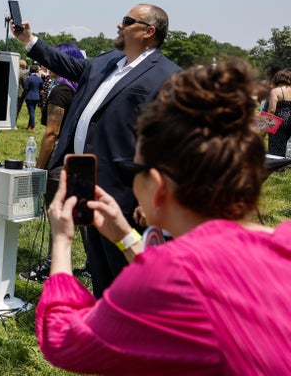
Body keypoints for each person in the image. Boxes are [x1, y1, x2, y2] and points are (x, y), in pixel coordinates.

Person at [36, 59, 291, 374]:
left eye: (134, 170)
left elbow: (64, 339)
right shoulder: (284, 242)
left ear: (157, 187)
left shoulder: (170, 275)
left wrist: (61, 241)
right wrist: (125, 236)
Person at [12, 4, 179, 297]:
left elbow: (171, 140)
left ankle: (129, 328)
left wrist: (154, 194)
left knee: (123, 265)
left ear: (148, 31)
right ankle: (104, 318)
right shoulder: (108, 62)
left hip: (124, 186)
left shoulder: (168, 75)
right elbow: (66, 65)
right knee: (97, 257)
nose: (119, 24)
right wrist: (29, 40)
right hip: (82, 175)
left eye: (128, 21)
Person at [20, 43, 85, 283]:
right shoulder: (84, 90)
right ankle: (92, 265)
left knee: (57, 217)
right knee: (83, 218)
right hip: (82, 159)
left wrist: (39, 167)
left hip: (59, 164)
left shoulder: (60, 92)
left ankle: (50, 266)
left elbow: (51, 133)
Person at [267, 68, 291, 156]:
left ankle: (279, 166)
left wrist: (264, 127)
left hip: (279, 120)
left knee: (276, 145)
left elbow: (272, 110)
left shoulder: (275, 91)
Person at [24, 65, 43, 131]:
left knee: (31, 112)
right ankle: (29, 126)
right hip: (36, 97)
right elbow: (41, 88)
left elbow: (26, 88)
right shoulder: (39, 78)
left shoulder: (29, 78)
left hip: (29, 96)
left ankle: (32, 126)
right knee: (32, 111)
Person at [15, 59, 29, 125]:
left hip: (11, 92)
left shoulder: (14, 71)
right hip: (19, 93)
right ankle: (13, 123)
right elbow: (25, 84)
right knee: (17, 109)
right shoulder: (23, 73)